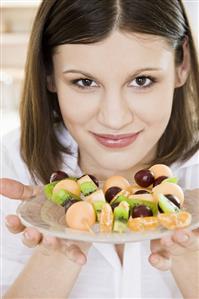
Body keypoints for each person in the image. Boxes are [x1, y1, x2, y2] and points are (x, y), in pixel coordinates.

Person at [1, 0, 199, 298]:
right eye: (84, 82)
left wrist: (188, 255)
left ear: (181, 64)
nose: (114, 118)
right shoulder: (12, 165)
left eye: (142, 80)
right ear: (48, 73)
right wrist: (56, 249)